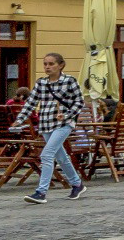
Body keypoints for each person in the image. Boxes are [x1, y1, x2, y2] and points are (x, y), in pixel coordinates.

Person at [14, 51, 85, 204]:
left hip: (63, 124)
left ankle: (41, 192)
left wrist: (66, 115)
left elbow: (79, 102)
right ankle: (77, 184)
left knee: (47, 155)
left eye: (51, 64)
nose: (47, 67)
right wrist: (19, 120)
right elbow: (31, 103)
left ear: (61, 65)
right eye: (45, 64)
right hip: (45, 124)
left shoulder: (70, 81)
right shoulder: (41, 83)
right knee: (61, 157)